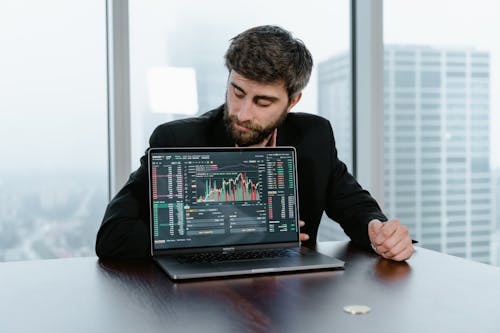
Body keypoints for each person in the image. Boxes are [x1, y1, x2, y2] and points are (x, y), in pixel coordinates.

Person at [96, 25, 414, 261]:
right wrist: (234, 234)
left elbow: (355, 206)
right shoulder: (177, 140)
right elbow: (112, 237)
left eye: (262, 102)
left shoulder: (313, 136)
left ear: (292, 101)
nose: (242, 114)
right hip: (202, 301)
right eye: (237, 92)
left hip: (294, 305)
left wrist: (378, 230)